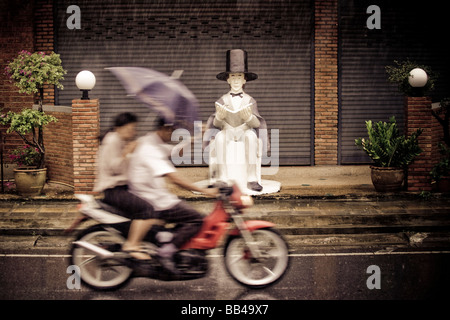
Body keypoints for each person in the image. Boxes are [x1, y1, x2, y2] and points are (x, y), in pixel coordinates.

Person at [128, 117, 218, 274]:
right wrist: (206, 191)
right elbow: (174, 178)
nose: (172, 134)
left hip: (156, 195)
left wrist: (196, 138)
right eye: (171, 131)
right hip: (154, 199)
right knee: (197, 219)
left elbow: (175, 151)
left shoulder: (151, 140)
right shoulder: (150, 149)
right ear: (164, 129)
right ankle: (167, 252)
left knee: (183, 214)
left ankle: (168, 240)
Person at [94, 112, 159, 261]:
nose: (133, 132)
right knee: (147, 209)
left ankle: (140, 241)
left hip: (121, 188)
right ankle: (132, 245)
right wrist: (126, 153)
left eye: (134, 128)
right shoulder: (112, 140)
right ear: (120, 127)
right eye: (131, 128)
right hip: (113, 190)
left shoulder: (119, 140)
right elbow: (114, 167)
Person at [205, 49, 269, 192]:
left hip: (244, 131)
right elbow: (217, 125)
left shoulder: (250, 100)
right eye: (232, 77)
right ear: (228, 79)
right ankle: (222, 177)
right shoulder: (223, 99)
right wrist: (219, 118)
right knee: (220, 138)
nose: (235, 80)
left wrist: (249, 118)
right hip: (227, 131)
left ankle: (252, 178)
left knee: (251, 137)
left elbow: (257, 124)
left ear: (244, 80)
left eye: (239, 77)